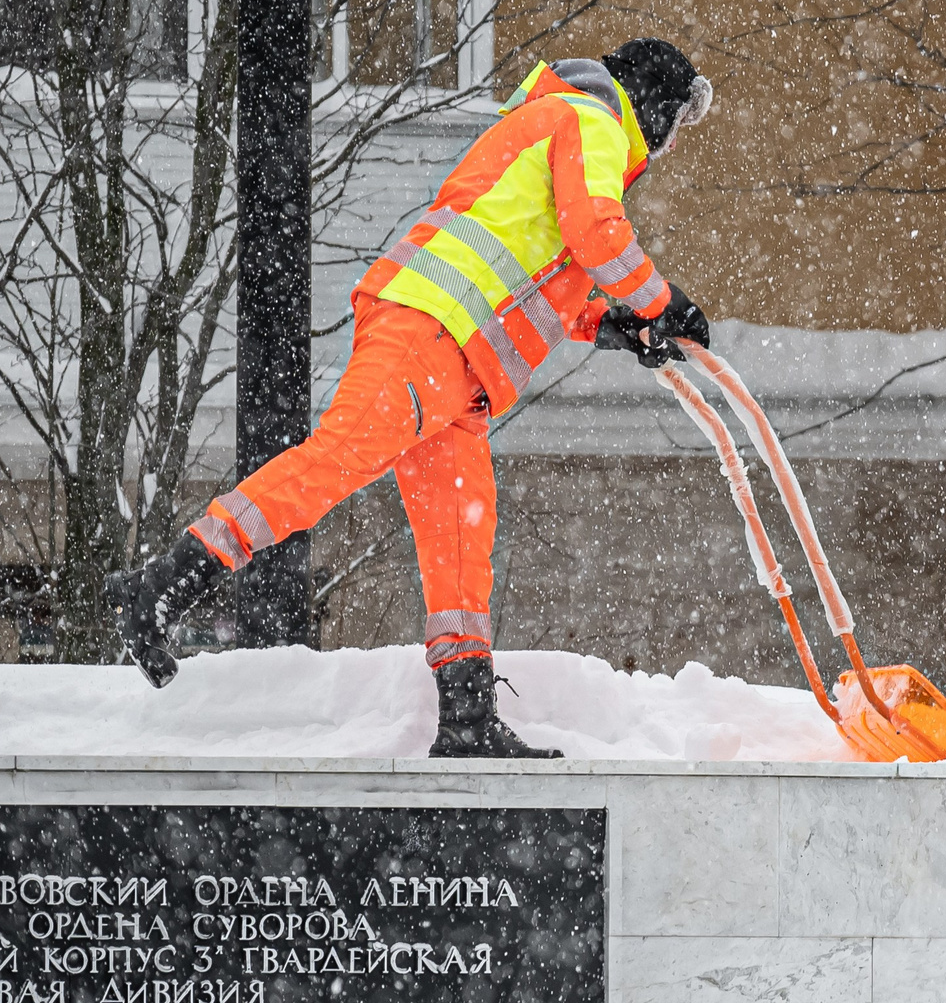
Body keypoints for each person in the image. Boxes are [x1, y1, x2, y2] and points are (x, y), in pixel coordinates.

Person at [108, 40, 714, 756]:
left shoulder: (558, 121)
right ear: (652, 104)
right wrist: (663, 301)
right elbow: (596, 233)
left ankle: (466, 717)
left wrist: (608, 322)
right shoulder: (590, 120)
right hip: (429, 328)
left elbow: (539, 265)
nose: (672, 144)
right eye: (676, 124)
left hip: (458, 360)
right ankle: (161, 586)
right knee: (333, 462)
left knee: (460, 537)